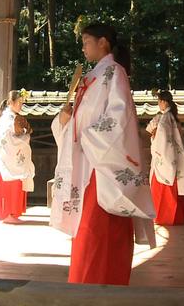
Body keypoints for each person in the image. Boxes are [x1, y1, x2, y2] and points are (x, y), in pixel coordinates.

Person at [51, 23, 155, 285]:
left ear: (103, 42)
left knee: (98, 232)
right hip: (88, 164)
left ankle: (100, 290)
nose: (83, 47)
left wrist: (86, 135)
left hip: (102, 168)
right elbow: (85, 119)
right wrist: (66, 120)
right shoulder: (93, 77)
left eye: (87, 41)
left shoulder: (114, 72)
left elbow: (118, 119)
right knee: (87, 233)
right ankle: (86, 289)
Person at [0, 90, 35, 224]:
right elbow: (6, 138)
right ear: (11, 103)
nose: (21, 106)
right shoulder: (7, 118)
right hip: (7, 157)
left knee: (16, 184)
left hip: (14, 156)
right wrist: (25, 136)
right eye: (19, 103)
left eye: (22, 103)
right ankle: (6, 213)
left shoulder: (11, 117)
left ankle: (12, 212)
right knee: (8, 184)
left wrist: (25, 134)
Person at [146, 90, 184, 225]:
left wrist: (154, 139)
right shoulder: (172, 117)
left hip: (164, 158)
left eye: (159, 101)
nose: (159, 104)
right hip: (172, 157)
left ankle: (164, 217)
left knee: (162, 188)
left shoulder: (165, 119)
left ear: (164, 102)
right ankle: (176, 217)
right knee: (173, 188)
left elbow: (162, 140)